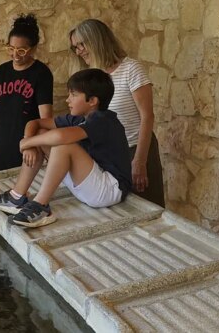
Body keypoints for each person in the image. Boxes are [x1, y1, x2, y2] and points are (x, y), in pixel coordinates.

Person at [0, 69, 132, 228]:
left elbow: (61, 137)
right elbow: (35, 123)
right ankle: (16, 197)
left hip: (109, 190)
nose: (68, 100)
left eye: (73, 95)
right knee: (41, 134)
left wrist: (26, 143)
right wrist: (28, 143)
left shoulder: (103, 120)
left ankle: (41, 206)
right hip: (89, 183)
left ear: (92, 101)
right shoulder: (79, 118)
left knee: (64, 146)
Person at [70, 19, 164, 207]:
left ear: (97, 40)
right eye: (75, 47)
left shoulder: (131, 69)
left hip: (134, 149)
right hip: (104, 154)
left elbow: (147, 116)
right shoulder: (89, 78)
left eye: (82, 44)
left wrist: (140, 161)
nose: (79, 51)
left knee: (147, 209)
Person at [0, 14, 53, 172]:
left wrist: (33, 144)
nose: (15, 55)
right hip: (1, 147)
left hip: (27, 148)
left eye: (22, 50)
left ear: (33, 49)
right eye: (11, 49)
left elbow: (45, 118)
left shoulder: (41, 73)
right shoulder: (3, 70)